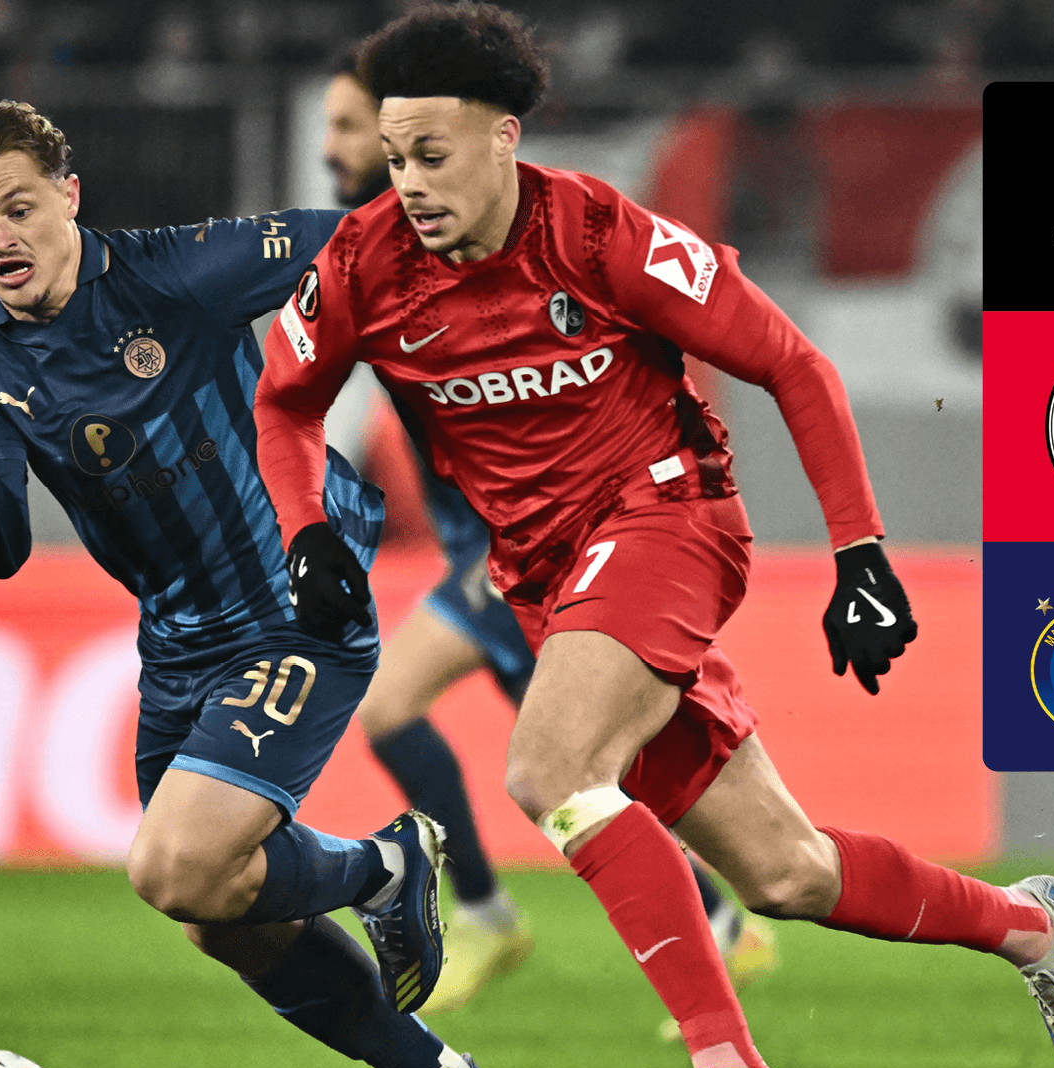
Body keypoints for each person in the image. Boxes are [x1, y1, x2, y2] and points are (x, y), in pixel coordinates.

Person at [255, 8, 1054, 1068]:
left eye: (431, 155)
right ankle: (1031, 927)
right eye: (395, 160)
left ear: (503, 137)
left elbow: (793, 363)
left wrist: (859, 551)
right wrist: (305, 530)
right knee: (786, 873)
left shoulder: (596, 234)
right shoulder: (364, 264)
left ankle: (727, 1064)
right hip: (544, 577)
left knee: (552, 767)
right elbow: (284, 402)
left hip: (667, 516)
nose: (411, 185)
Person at [0, 99, 487, 1068]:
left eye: (20, 209)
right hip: (176, 647)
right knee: (219, 914)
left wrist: (468, 309)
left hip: (294, 604)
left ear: (69, 196)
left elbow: (356, 240)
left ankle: (384, 867)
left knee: (176, 868)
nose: (1, 239)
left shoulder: (176, 272)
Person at [322, 45, 777, 1017]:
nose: (336, 147)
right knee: (510, 745)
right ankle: (522, 915)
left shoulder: (492, 243)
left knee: (566, 767)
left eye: (351, 128)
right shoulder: (367, 256)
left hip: (536, 548)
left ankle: (699, 932)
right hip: (484, 552)